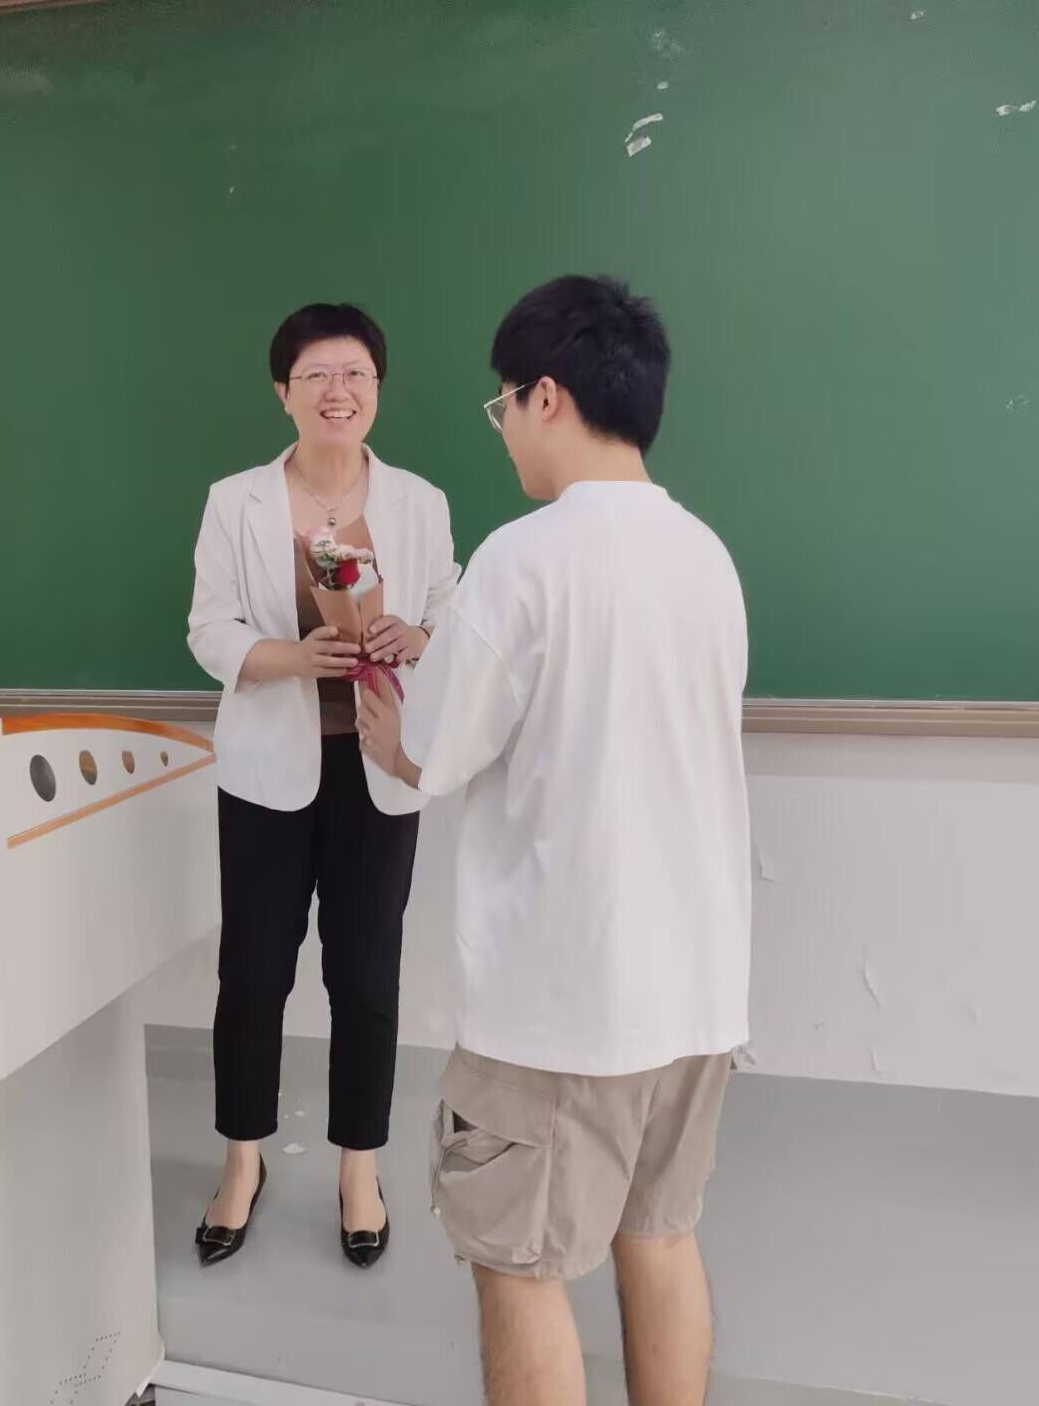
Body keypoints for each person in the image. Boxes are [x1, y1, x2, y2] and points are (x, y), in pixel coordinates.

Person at [357, 276, 750, 1404]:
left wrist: (389, 731)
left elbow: (436, 749)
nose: (505, 431)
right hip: (696, 990)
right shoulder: (706, 555)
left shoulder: (522, 558)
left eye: (503, 405)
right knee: (661, 1234)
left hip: (560, 1002)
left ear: (547, 395)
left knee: (519, 1266)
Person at [186, 303, 459, 1270]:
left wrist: (416, 636)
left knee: (367, 976)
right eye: (316, 376)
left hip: (379, 767)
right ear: (284, 393)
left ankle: (359, 1169)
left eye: (356, 375)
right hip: (268, 770)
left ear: (377, 389)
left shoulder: (420, 502)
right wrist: (293, 657)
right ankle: (242, 1161)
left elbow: (451, 610)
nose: (338, 392)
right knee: (254, 973)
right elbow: (209, 629)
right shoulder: (237, 501)